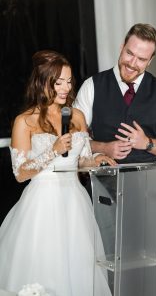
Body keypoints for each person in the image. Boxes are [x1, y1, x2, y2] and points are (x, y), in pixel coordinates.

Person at [0, 50, 115, 295]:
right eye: (58, 82)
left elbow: (80, 161)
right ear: (43, 83)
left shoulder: (77, 116)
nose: (65, 88)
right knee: (46, 267)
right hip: (42, 205)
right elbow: (20, 173)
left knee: (78, 269)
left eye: (69, 81)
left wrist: (96, 160)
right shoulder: (25, 121)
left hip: (74, 203)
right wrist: (51, 151)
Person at [74, 23, 156, 163]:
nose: (132, 64)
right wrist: (103, 148)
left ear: (150, 60)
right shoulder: (91, 86)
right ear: (122, 47)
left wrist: (147, 143)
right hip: (101, 181)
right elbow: (73, 139)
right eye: (129, 53)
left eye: (141, 59)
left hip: (151, 182)